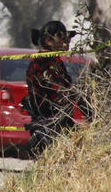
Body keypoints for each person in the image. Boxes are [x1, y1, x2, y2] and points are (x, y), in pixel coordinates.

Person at [23, 20, 78, 154]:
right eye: (63, 38)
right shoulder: (43, 63)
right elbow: (58, 94)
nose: (67, 42)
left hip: (57, 122)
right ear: (49, 41)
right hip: (50, 125)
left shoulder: (54, 61)